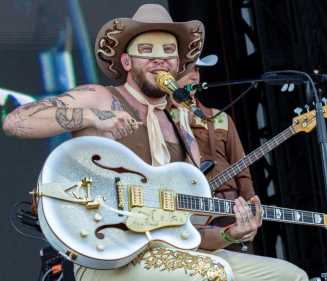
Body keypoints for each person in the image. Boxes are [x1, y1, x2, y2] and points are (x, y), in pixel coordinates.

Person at [2, 4, 307, 281]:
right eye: (146, 50)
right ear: (125, 60)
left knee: (289, 276)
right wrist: (91, 117)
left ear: (178, 64)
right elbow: (16, 121)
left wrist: (230, 234)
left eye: (168, 52)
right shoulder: (103, 97)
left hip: (169, 253)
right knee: (212, 274)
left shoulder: (184, 129)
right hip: (104, 254)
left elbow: (188, 231)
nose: (159, 59)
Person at [176, 55, 257, 253]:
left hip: (229, 210)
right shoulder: (161, 120)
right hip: (189, 213)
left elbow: (242, 169)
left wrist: (251, 207)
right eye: (188, 70)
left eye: (197, 70)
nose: (194, 76)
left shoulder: (220, 118)